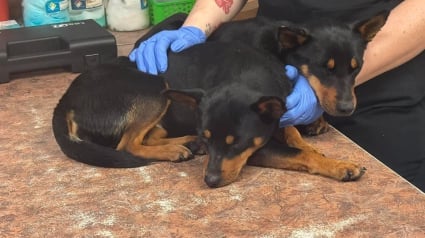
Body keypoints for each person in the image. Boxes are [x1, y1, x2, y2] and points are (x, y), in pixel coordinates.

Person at [129, 0, 425, 191]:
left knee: (389, 198)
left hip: (383, 90)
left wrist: (321, 84)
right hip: (270, 72)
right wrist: (194, 30)